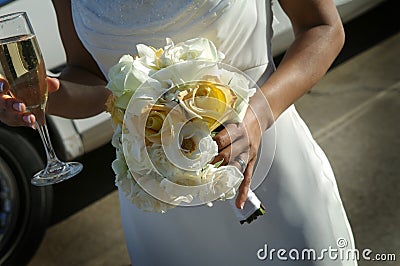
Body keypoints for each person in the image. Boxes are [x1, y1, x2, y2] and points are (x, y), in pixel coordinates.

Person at [0, 0, 357, 265]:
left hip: (271, 176)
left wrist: (257, 115)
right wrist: (45, 97)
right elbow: (93, 79)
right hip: (160, 206)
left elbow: (323, 29)